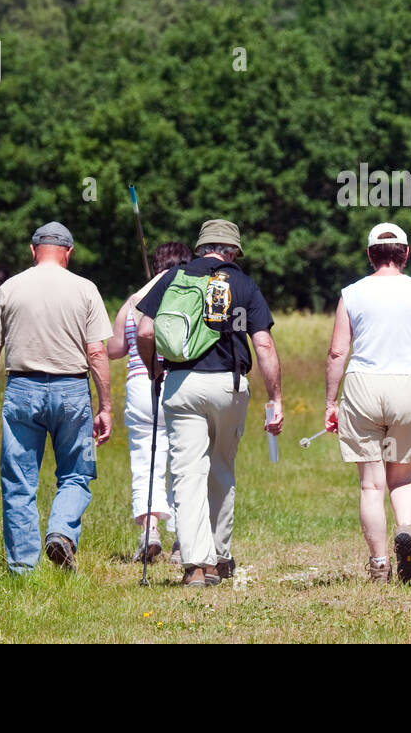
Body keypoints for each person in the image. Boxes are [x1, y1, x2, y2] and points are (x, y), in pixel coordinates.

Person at [134, 219, 284, 587]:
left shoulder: (174, 278)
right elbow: (263, 344)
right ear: (233, 251)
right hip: (228, 386)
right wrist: (275, 397)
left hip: (181, 384)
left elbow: (144, 329)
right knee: (220, 470)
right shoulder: (243, 283)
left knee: (186, 474)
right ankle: (219, 559)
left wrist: (154, 368)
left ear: (200, 247)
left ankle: (195, 566)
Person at [0, 221, 113, 574]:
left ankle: (22, 569)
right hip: (72, 392)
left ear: (33, 251)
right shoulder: (86, 289)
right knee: (77, 474)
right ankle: (61, 532)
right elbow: (96, 353)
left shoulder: (9, 288)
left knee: (19, 480)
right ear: (69, 253)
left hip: (22, 390)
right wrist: (105, 406)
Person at [323, 223, 411, 584]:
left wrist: (330, 402)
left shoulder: (351, 293)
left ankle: (379, 564)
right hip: (410, 387)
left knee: (371, 486)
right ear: (406, 254)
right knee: (403, 478)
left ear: (369, 255)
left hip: (363, 387)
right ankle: (406, 529)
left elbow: (338, 351)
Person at [106, 241, 192, 564]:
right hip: (175, 382)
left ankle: (149, 531)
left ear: (156, 265)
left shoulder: (132, 301)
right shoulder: (182, 294)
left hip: (139, 386)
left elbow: (114, 348)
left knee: (145, 461)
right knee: (184, 461)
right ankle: (184, 540)